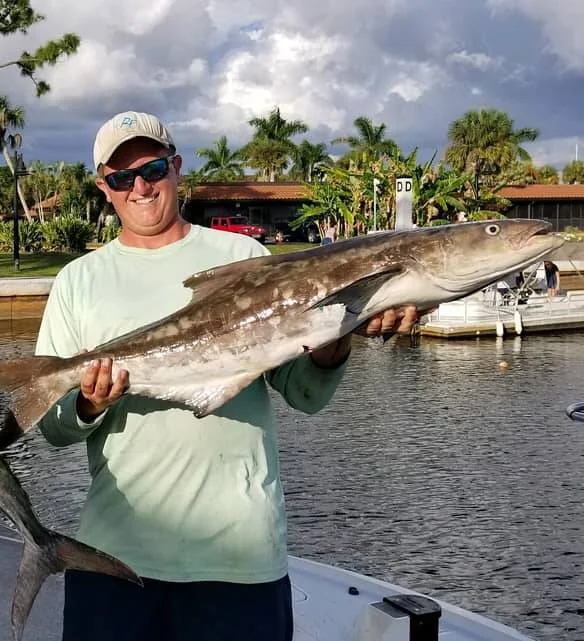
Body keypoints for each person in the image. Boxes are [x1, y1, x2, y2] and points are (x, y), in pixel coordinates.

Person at [34, 111, 423, 641]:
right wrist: (88, 405)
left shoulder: (244, 256)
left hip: (239, 557)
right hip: (112, 556)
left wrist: (339, 337)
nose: (141, 187)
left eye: (151, 169)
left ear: (176, 167)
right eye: (122, 178)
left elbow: (304, 394)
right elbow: (53, 426)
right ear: (104, 187)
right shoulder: (77, 281)